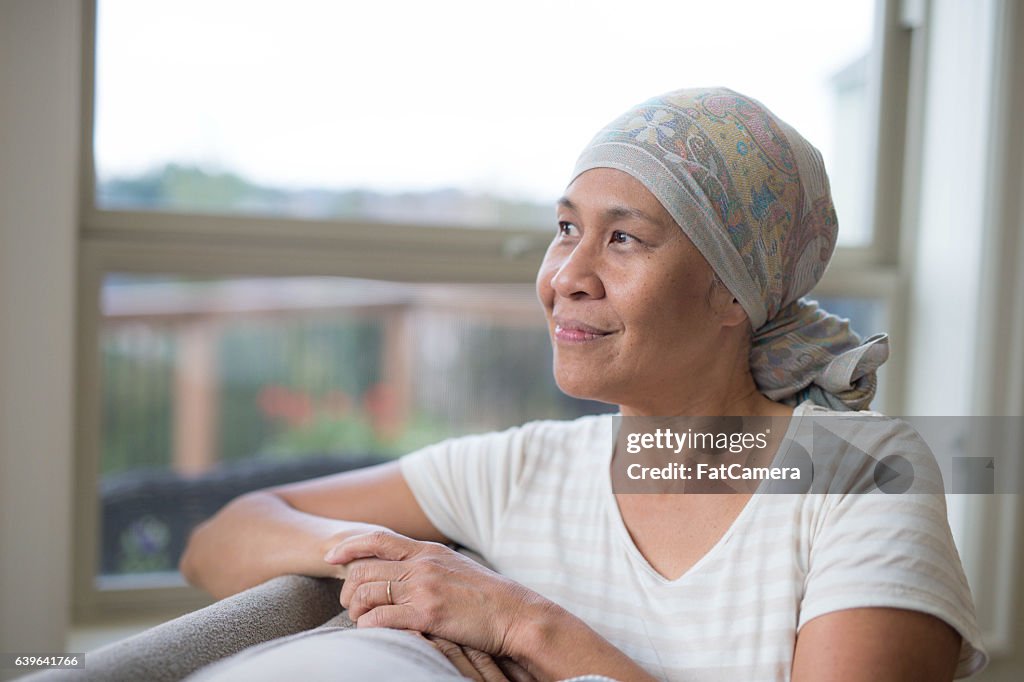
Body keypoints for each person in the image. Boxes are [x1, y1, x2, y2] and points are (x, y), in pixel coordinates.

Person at [180, 88, 987, 681]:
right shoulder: (523, 472)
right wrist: (398, 568)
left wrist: (519, 622)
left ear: (735, 292)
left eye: (625, 239)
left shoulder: (862, 475)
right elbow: (222, 539)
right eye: (566, 229)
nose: (568, 275)